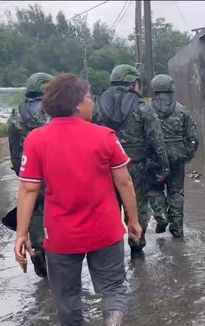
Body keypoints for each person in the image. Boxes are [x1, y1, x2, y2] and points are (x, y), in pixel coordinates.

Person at [13, 74, 143, 325]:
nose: (92, 103)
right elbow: (124, 182)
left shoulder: (36, 140)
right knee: (114, 289)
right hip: (105, 230)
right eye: (88, 98)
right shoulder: (105, 136)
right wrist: (133, 220)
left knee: (67, 299)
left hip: (60, 236)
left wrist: (21, 233)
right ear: (76, 104)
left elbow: (28, 189)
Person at [94, 64, 170, 255]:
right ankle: (137, 245)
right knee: (136, 205)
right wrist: (164, 166)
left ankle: (111, 249)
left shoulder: (97, 105)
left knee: (108, 206)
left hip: (104, 165)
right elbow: (156, 138)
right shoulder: (142, 106)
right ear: (132, 83)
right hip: (135, 165)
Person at [7, 72, 53, 278]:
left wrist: (23, 174)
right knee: (55, 211)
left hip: (30, 175)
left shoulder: (16, 116)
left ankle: (37, 249)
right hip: (55, 175)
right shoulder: (53, 114)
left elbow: (15, 155)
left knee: (34, 211)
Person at [147, 74, 198, 238]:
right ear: (172, 89)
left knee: (155, 188)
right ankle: (177, 229)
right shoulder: (182, 110)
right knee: (176, 192)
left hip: (155, 159)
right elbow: (193, 138)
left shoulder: (147, 111)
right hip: (177, 158)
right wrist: (187, 155)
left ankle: (160, 213)